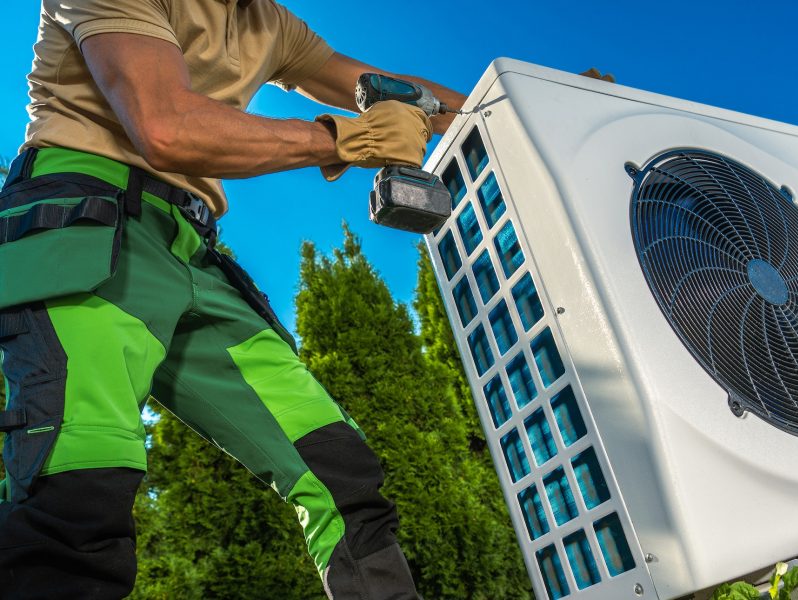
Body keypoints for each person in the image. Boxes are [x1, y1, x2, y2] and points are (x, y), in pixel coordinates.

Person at [0, 1, 465, 598]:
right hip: (88, 223)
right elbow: (165, 127)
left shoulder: (269, 23)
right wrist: (345, 138)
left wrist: (524, 100)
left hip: (193, 249)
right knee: (79, 481)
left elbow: (396, 89)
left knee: (338, 470)